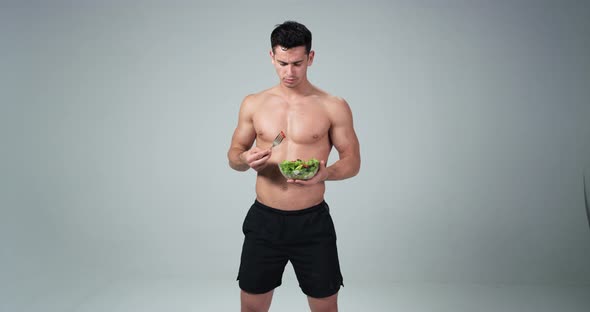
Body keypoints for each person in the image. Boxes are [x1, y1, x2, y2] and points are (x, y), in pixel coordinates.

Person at [227, 21, 361, 312]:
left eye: (298, 63)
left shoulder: (332, 105)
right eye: (283, 62)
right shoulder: (254, 103)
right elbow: (234, 155)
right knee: (251, 308)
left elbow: (352, 161)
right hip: (264, 221)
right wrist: (244, 159)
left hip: (312, 223)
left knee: (325, 308)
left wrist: (327, 173)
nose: (289, 72)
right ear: (271, 57)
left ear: (310, 58)